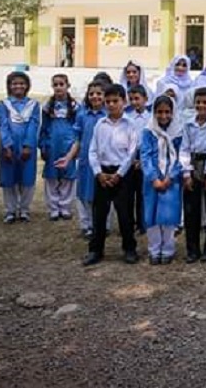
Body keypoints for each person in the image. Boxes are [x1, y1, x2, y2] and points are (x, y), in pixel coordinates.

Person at [83, 84, 140, 266]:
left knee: (125, 214)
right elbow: (92, 150)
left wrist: (119, 174)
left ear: (124, 101)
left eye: (115, 101)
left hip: (122, 174)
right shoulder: (100, 124)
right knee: (99, 214)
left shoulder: (130, 125)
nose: (111, 105)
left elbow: (132, 152)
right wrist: (98, 172)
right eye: (108, 101)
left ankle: (129, 248)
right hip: (103, 173)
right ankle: (95, 250)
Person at [179, 87, 206, 263]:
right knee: (191, 210)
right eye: (198, 102)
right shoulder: (189, 123)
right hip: (193, 163)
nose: (201, 105)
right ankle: (192, 249)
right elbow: (184, 148)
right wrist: (186, 172)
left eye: (205, 102)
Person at [59, 81, 106, 238]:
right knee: (84, 193)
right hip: (85, 161)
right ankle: (87, 224)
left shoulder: (108, 115)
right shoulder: (82, 115)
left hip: (104, 161)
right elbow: (78, 140)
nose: (95, 96)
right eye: (92, 93)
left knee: (101, 194)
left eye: (99, 93)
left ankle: (102, 225)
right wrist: (68, 158)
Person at [141, 95, 183, 265]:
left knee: (168, 215)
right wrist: (153, 178)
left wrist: (170, 177)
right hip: (152, 180)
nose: (163, 116)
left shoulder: (178, 132)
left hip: (171, 180)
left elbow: (182, 156)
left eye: (167, 112)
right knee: (152, 215)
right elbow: (145, 155)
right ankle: (154, 248)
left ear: (173, 113)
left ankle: (168, 249)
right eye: (159, 112)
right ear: (154, 112)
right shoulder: (148, 131)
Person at [0, 71, 40, 224]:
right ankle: (10, 210)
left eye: (22, 83)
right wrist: (7, 146)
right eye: (15, 83)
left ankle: (24, 209)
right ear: (9, 86)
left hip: (27, 145)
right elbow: (3, 125)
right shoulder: (4, 104)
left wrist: (28, 145)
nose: (18, 86)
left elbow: (34, 125)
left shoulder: (34, 105)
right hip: (9, 145)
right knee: (9, 178)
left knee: (27, 178)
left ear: (27, 86)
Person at [40, 74, 78, 221]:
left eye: (61, 84)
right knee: (51, 177)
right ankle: (54, 208)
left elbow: (78, 127)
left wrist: (76, 146)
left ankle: (65, 207)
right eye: (55, 85)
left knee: (68, 177)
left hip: (69, 145)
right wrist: (43, 144)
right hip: (52, 145)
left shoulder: (75, 106)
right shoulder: (47, 106)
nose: (58, 87)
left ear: (68, 86)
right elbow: (43, 127)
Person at [125, 84, 151, 235]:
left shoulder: (150, 118)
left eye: (137, 99)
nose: (135, 102)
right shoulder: (128, 118)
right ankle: (130, 222)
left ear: (145, 99)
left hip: (145, 157)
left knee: (143, 193)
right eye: (132, 99)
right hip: (130, 157)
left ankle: (143, 223)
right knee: (130, 193)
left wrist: (143, 160)